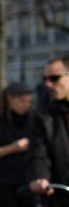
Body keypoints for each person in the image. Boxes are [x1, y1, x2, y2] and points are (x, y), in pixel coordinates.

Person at [28, 55, 69, 195]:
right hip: (61, 198)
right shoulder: (44, 116)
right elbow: (39, 153)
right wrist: (41, 177)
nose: (48, 84)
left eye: (54, 78)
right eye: (45, 79)